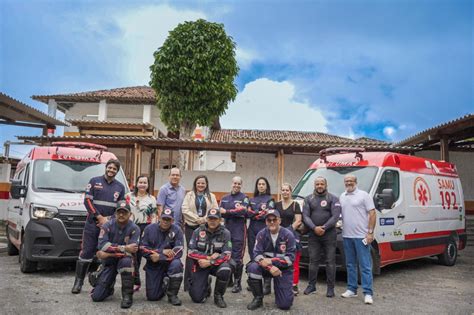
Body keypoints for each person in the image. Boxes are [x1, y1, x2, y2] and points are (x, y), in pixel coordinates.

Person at [72, 159, 126, 294]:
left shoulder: (120, 187)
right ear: (106, 168)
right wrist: (99, 217)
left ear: (117, 171)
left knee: (109, 254)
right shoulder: (94, 181)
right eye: (110, 167)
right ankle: (78, 283)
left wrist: (109, 220)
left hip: (109, 227)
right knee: (86, 253)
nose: (111, 170)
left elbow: (121, 208)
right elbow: (87, 201)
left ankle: (106, 284)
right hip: (93, 224)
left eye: (114, 169)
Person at [90, 200, 140, 309]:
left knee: (127, 262)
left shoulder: (135, 228)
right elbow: (102, 246)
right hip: (109, 261)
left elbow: (132, 250)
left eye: (124, 212)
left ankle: (127, 296)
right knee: (96, 297)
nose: (121, 215)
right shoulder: (107, 225)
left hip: (124, 260)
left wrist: (109, 251)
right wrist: (123, 248)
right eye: (119, 212)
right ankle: (109, 287)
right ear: (115, 213)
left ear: (130, 214)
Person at [246, 209, 296, 311]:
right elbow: (256, 254)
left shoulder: (288, 235)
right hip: (267, 267)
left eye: (274, 219)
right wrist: (270, 266)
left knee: (284, 305)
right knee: (252, 267)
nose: (272, 222)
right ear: (266, 222)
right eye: (269, 220)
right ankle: (258, 298)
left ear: (279, 221)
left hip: (283, 270)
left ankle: (280, 290)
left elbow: (291, 258)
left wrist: (272, 261)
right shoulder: (261, 234)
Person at [339, 174, 376, 305]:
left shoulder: (364, 195)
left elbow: (372, 213)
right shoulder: (342, 196)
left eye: (351, 181)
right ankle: (351, 289)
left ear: (356, 182)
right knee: (350, 265)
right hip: (347, 236)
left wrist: (370, 233)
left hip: (361, 236)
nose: (348, 183)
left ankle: (368, 293)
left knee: (365, 266)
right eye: (346, 181)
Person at [302, 176, 341, 297]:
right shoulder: (308, 199)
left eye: (322, 184)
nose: (319, 186)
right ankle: (311, 286)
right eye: (317, 184)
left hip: (329, 235)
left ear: (326, 185)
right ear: (314, 185)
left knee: (330, 262)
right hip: (313, 235)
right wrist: (314, 228)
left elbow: (335, 216)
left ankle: (330, 288)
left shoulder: (333, 198)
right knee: (313, 261)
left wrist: (324, 227)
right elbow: (305, 216)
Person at [188, 208, 232, 308]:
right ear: (206, 219)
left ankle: (218, 296)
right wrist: (207, 257)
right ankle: (206, 284)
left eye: (215, 219)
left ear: (220, 220)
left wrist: (211, 261)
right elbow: (190, 252)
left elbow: (227, 254)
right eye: (210, 218)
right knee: (197, 298)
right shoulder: (198, 231)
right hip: (201, 264)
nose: (212, 221)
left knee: (226, 268)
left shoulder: (226, 233)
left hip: (216, 264)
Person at [140, 208, 184, 306]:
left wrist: (160, 256)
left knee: (177, 264)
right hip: (153, 264)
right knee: (152, 297)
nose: (165, 221)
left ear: (172, 220)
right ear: (159, 218)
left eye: (168, 219)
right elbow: (142, 248)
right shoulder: (149, 229)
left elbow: (179, 250)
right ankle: (165, 284)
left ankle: (172, 295)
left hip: (169, 263)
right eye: (164, 218)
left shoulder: (177, 230)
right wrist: (161, 251)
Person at [182, 175, 219, 291]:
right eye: (198, 183)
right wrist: (197, 218)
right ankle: (189, 283)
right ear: (195, 184)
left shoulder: (211, 196)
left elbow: (215, 210)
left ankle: (203, 282)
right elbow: (184, 209)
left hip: (206, 229)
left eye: (203, 183)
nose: (201, 185)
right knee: (191, 253)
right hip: (191, 227)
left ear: (206, 184)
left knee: (204, 253)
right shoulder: (189, 195)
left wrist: (204, 220)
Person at [126, 175, 157, 291]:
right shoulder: (128, 196)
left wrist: (153, 229)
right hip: (132, 228)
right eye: (140, 182)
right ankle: (135, 281)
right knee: (133, 255)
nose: (142, 184)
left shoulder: (152, 199)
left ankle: (146, 281)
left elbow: (153, 215)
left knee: (141, 254)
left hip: (146, 228)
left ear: (148, 185)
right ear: (136, 183)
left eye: (145, 182)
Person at [219, 176, 249, 293]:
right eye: (234, 183)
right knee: (227, 255)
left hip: (239, 231)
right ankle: (229, 280)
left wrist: (227, 212)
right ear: (231, 183)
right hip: (227, 231)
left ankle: (237, 283)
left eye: (239, 184)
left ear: (241, 185)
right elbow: (219, 212)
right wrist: (229, 213)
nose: (236, 185)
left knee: (237, 257)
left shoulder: (244, 198)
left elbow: (243, 211)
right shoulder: (224, 198)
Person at [247, 177, 275, 295]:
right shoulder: (251, 199)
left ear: (266, 186)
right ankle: (255, 282)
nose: (261, 186)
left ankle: (267, 285)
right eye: (259, 184)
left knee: (265, 256)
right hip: (252, 230)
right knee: (253, 255)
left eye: (263, 184)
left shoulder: (270, 199)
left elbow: (269, 214)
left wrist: (255, 214)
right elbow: (247, 213)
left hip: (265, 231)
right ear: (257, 186)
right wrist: (258, 214)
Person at [275, 183, 303, 295]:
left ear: (291, 191)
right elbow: (274, 220)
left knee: (294, 261)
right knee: (280, 260)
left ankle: (294, 285)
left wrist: (286, 232)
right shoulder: (276, 205)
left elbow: (298, 221)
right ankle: (281, 283)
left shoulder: (296, 205)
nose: (285, 192)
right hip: (278, 236)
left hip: (292, 235)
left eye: (287, 190)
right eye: (283, 190)